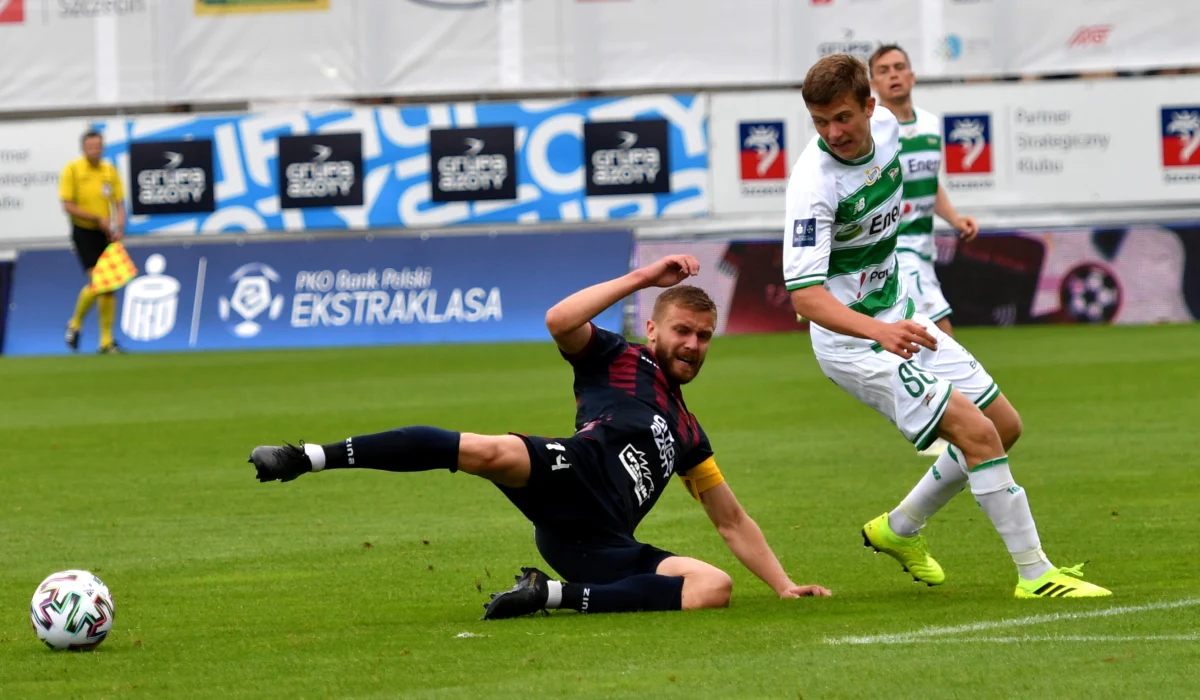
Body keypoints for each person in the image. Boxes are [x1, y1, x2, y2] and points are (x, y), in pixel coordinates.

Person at [249, 255, 831, 618]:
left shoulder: (689, 432)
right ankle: (308, 457)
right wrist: (643, 278)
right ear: (653, 327)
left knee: (713, 589)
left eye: (704, 337)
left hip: (597, 542)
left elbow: (730, 519)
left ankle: (545, 597)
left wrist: (783, 586)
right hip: (570, 471)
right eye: (683, 331)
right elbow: (559, 320)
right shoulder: (617, 356)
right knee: (487, 449)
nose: (692, 345)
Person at [783, 54, 1108, 599]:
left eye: (842, 118)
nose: (832, 133)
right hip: (854, 344)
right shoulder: (812, 186)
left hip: (901, 315)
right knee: (976, 433)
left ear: (871, 106)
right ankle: (1036, 575)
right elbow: (805, 297)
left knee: (1003, 425)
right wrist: (877, 332)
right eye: (819, 122)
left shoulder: (889, 130)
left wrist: (896, 315)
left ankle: (899, 528)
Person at [868, 44, 977, 338]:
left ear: (912, 77)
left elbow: (930, 183)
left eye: (899, 67)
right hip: (895, 249)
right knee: (942, 334)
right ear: (873, 84)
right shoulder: (872, 132)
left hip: (924, 248)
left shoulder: (931, 125)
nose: (894, 75)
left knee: (917, 341)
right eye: (884, 70)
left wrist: (954, 219)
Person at [61, 129, 126, 354]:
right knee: (98, 281)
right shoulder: (73, 169)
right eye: (90, 146)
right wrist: (97, 218)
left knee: (109, 287)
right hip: (84, 231)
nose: (94, 150)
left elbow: (119, 203)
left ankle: (106, 341)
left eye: (98, 146)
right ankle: (75, 323)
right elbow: (68, 204)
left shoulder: (109, 170)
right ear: (83, 148)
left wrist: (119, 227)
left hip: (106, 233)